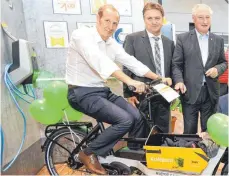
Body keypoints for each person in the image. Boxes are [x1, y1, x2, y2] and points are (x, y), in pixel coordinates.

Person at [66, 4, 169, 175]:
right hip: (81, 92)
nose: (110, 27)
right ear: (98, 19)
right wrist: (130, 81)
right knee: (124, 120)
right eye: (107, 21)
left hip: (101, 91)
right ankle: (88, 153)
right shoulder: (82, 35)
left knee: (137, 116)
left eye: (115, 23)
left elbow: (131, 62)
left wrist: (157, 78)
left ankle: (131, 159)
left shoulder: (110, 42)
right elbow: (100, 61)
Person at [172, 4, 227, 134]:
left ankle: (207, 153)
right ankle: (189, 152)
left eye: (207, 17)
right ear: (194, 19)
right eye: (201, 17)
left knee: (209, 130)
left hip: (210, 92)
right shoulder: (182, 39)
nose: (205, 21)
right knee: (189, 132)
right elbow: (176, 64)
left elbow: (223, 62)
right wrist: (179, 81)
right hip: (189, 93)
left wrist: (217, 70)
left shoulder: (218, 40)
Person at [123, 2, 174, 134]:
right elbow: (127, 68)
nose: (154, 22)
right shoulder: (132, 39)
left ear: (162, 19)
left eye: (157, 18)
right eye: (149, 18)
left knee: (162, 135)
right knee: (139, 135)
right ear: (144, 19)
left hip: (163, 96)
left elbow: (172, 68)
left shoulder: (169, 43)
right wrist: (129, 94)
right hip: (141, 96)